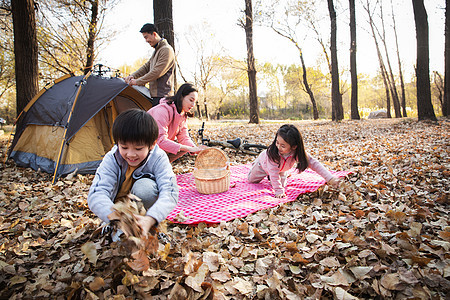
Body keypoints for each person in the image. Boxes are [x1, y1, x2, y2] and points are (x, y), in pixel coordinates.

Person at [87, 109, 178, 238]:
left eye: (138, 148)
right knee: (123, 242)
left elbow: (170, 191)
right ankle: (117, 230)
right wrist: (117, 219)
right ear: (117, 143)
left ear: (152, 144)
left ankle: (147, 225)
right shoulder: (112, 158)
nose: (130, 154)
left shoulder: (158, 158)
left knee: (145, 188)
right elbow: (96, 194)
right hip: (117, 211)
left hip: (145, 211)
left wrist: (152, 218)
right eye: (124, 147)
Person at [248, 124, 341, 198]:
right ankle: (255, 165)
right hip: (263, 165)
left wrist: (330, 179)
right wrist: (278, 191)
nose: (278, 147)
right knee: (251, 180)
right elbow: (273, 173)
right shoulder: (272, 154)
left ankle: (281, 174)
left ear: (294, 146)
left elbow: (314, 163)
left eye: (283, 146)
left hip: (281, 169)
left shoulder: (296, 153)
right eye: (277, 142)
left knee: (281, 184)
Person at [148, 82, 206, 163]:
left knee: (185, 147)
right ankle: (154, 166)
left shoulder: (182, 114)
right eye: (191, 100)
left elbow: (184, 137)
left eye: (195, 102)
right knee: (185, 148)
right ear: (181, 97)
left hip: (158, 148)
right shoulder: (162, 111)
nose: (193, 105)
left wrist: (195, 149)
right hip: (145, 147)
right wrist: (188, 148)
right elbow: (159, 140)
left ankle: (162, 166)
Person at [124, 23, 175, 106]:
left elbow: (157, 72)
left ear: (154, 34)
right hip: (156, 96)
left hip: (163, 97)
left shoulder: (166, 50)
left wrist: (137, 82)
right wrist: (132, 76)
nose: (146, 40)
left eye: (146, 37)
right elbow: (146, 67)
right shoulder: (157, 50)